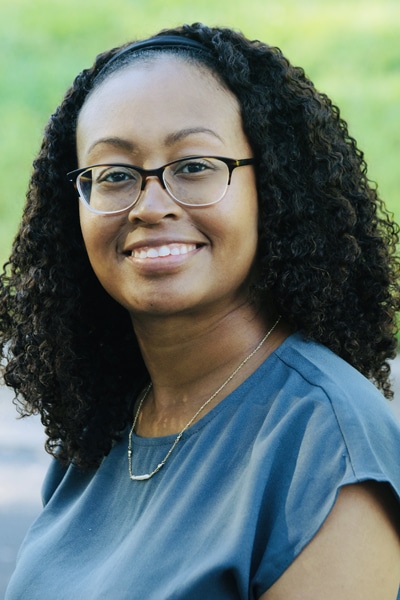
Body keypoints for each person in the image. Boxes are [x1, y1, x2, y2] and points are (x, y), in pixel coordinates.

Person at [1, 22, 400, 599]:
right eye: (114, 175)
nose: (150, 206)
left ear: (274, 187)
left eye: (193, 166)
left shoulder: (325, 448)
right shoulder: (102, 430)